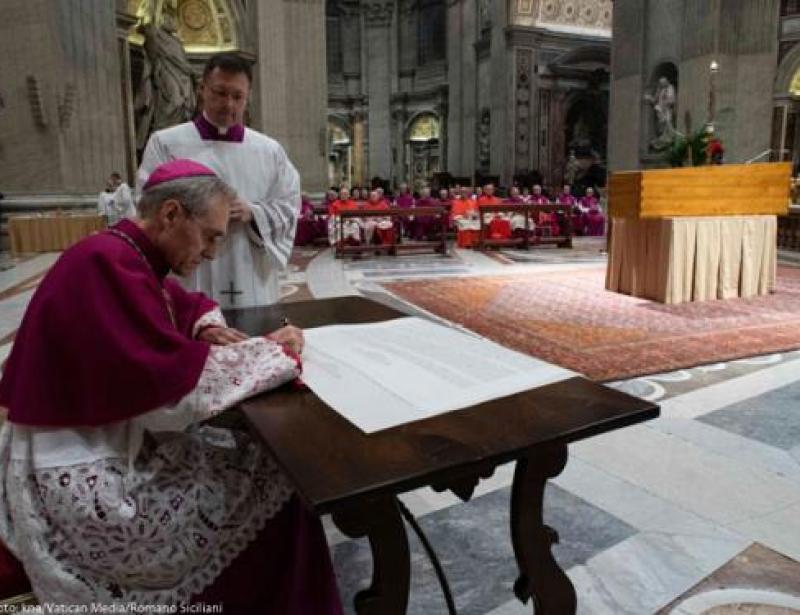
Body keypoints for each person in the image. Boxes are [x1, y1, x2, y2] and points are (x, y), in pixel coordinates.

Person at [0, 159, 342, 612]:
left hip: (100, 444)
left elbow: (178, 304)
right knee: (277, 481)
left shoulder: (126, 253)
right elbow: (172, 395)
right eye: (212, 235)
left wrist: (202, 326)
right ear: (172, 215)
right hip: (82, 479)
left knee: (251, 458)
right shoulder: (109, 263)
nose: (214, 252)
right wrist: (276, 351)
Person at [138, 52, 300, 309]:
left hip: (249, 271)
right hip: (191, 273)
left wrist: (254, 213)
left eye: (238, 96)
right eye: (220, 93)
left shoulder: (269, 151)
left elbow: (290, 206)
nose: (229, 105)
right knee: (195, 333)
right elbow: (147, 206)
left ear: (248, 96)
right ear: (202, 90)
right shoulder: (167, 143)